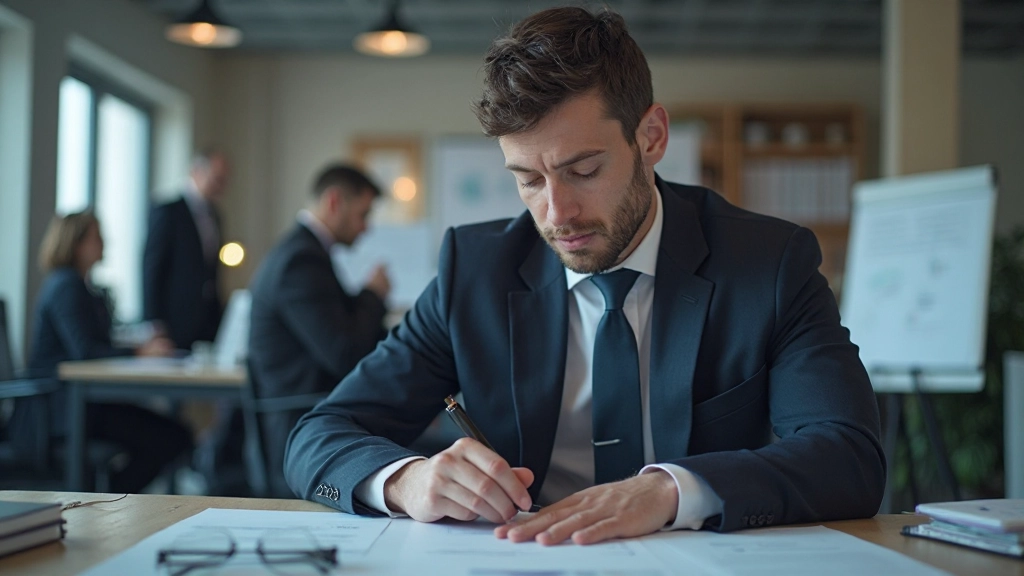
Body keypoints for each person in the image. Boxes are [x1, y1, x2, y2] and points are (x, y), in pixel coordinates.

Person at [285, 6, 884, 544]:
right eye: (528, 180)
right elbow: (321, 434)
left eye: (583, 169)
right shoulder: (475, 270)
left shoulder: (770, 264)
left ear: (651, 138)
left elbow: (849, 456)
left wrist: (672, 490)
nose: (556, 212)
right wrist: (405, 482)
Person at [12, 211, 193, 493]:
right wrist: (139, 353)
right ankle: (109, 497)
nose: (105, 242)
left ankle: (109, 495)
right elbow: (85, 351)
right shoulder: (66, 286)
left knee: (172, 435)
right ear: (76, 243)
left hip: (79, 403)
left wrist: (138, 349)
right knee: (172, 436)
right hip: (60, 410)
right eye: (97, 237)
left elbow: (95, 345)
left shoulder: (80, 287)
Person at [248, 164, 390, 497]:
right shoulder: (301, 260)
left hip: (308, 409)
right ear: (334, 201)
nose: (366, 228)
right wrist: (372, 295)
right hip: (301, 422)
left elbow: (336, 328)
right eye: (362, 214)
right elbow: (343, 352)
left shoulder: (304, 252)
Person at [143, 149, 228, 350]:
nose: (220, 187)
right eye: (216, 179)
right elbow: (152, 266)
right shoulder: (168, 211)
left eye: (224, 181)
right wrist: (154, 322)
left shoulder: (215, 216)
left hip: (207, 320)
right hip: (174, 319)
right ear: (197, 172)